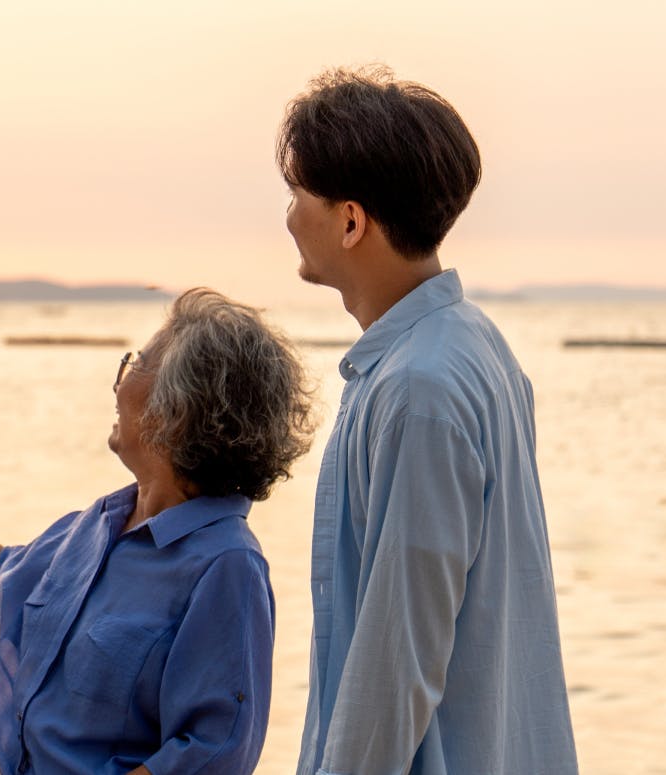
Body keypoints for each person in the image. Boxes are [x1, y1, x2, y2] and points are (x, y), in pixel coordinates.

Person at [279, 66, 580, 774]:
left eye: (297, 195)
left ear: (350, 221)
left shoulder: (418, 387)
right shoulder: (470, 349)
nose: (289, 217)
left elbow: (397, 655)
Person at [0, 288, 314, 775]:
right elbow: (7, 580)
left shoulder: (225, 564)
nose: (119, 385)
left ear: (174, 412)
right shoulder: (104, 522)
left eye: (136, 363)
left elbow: (213, 751)